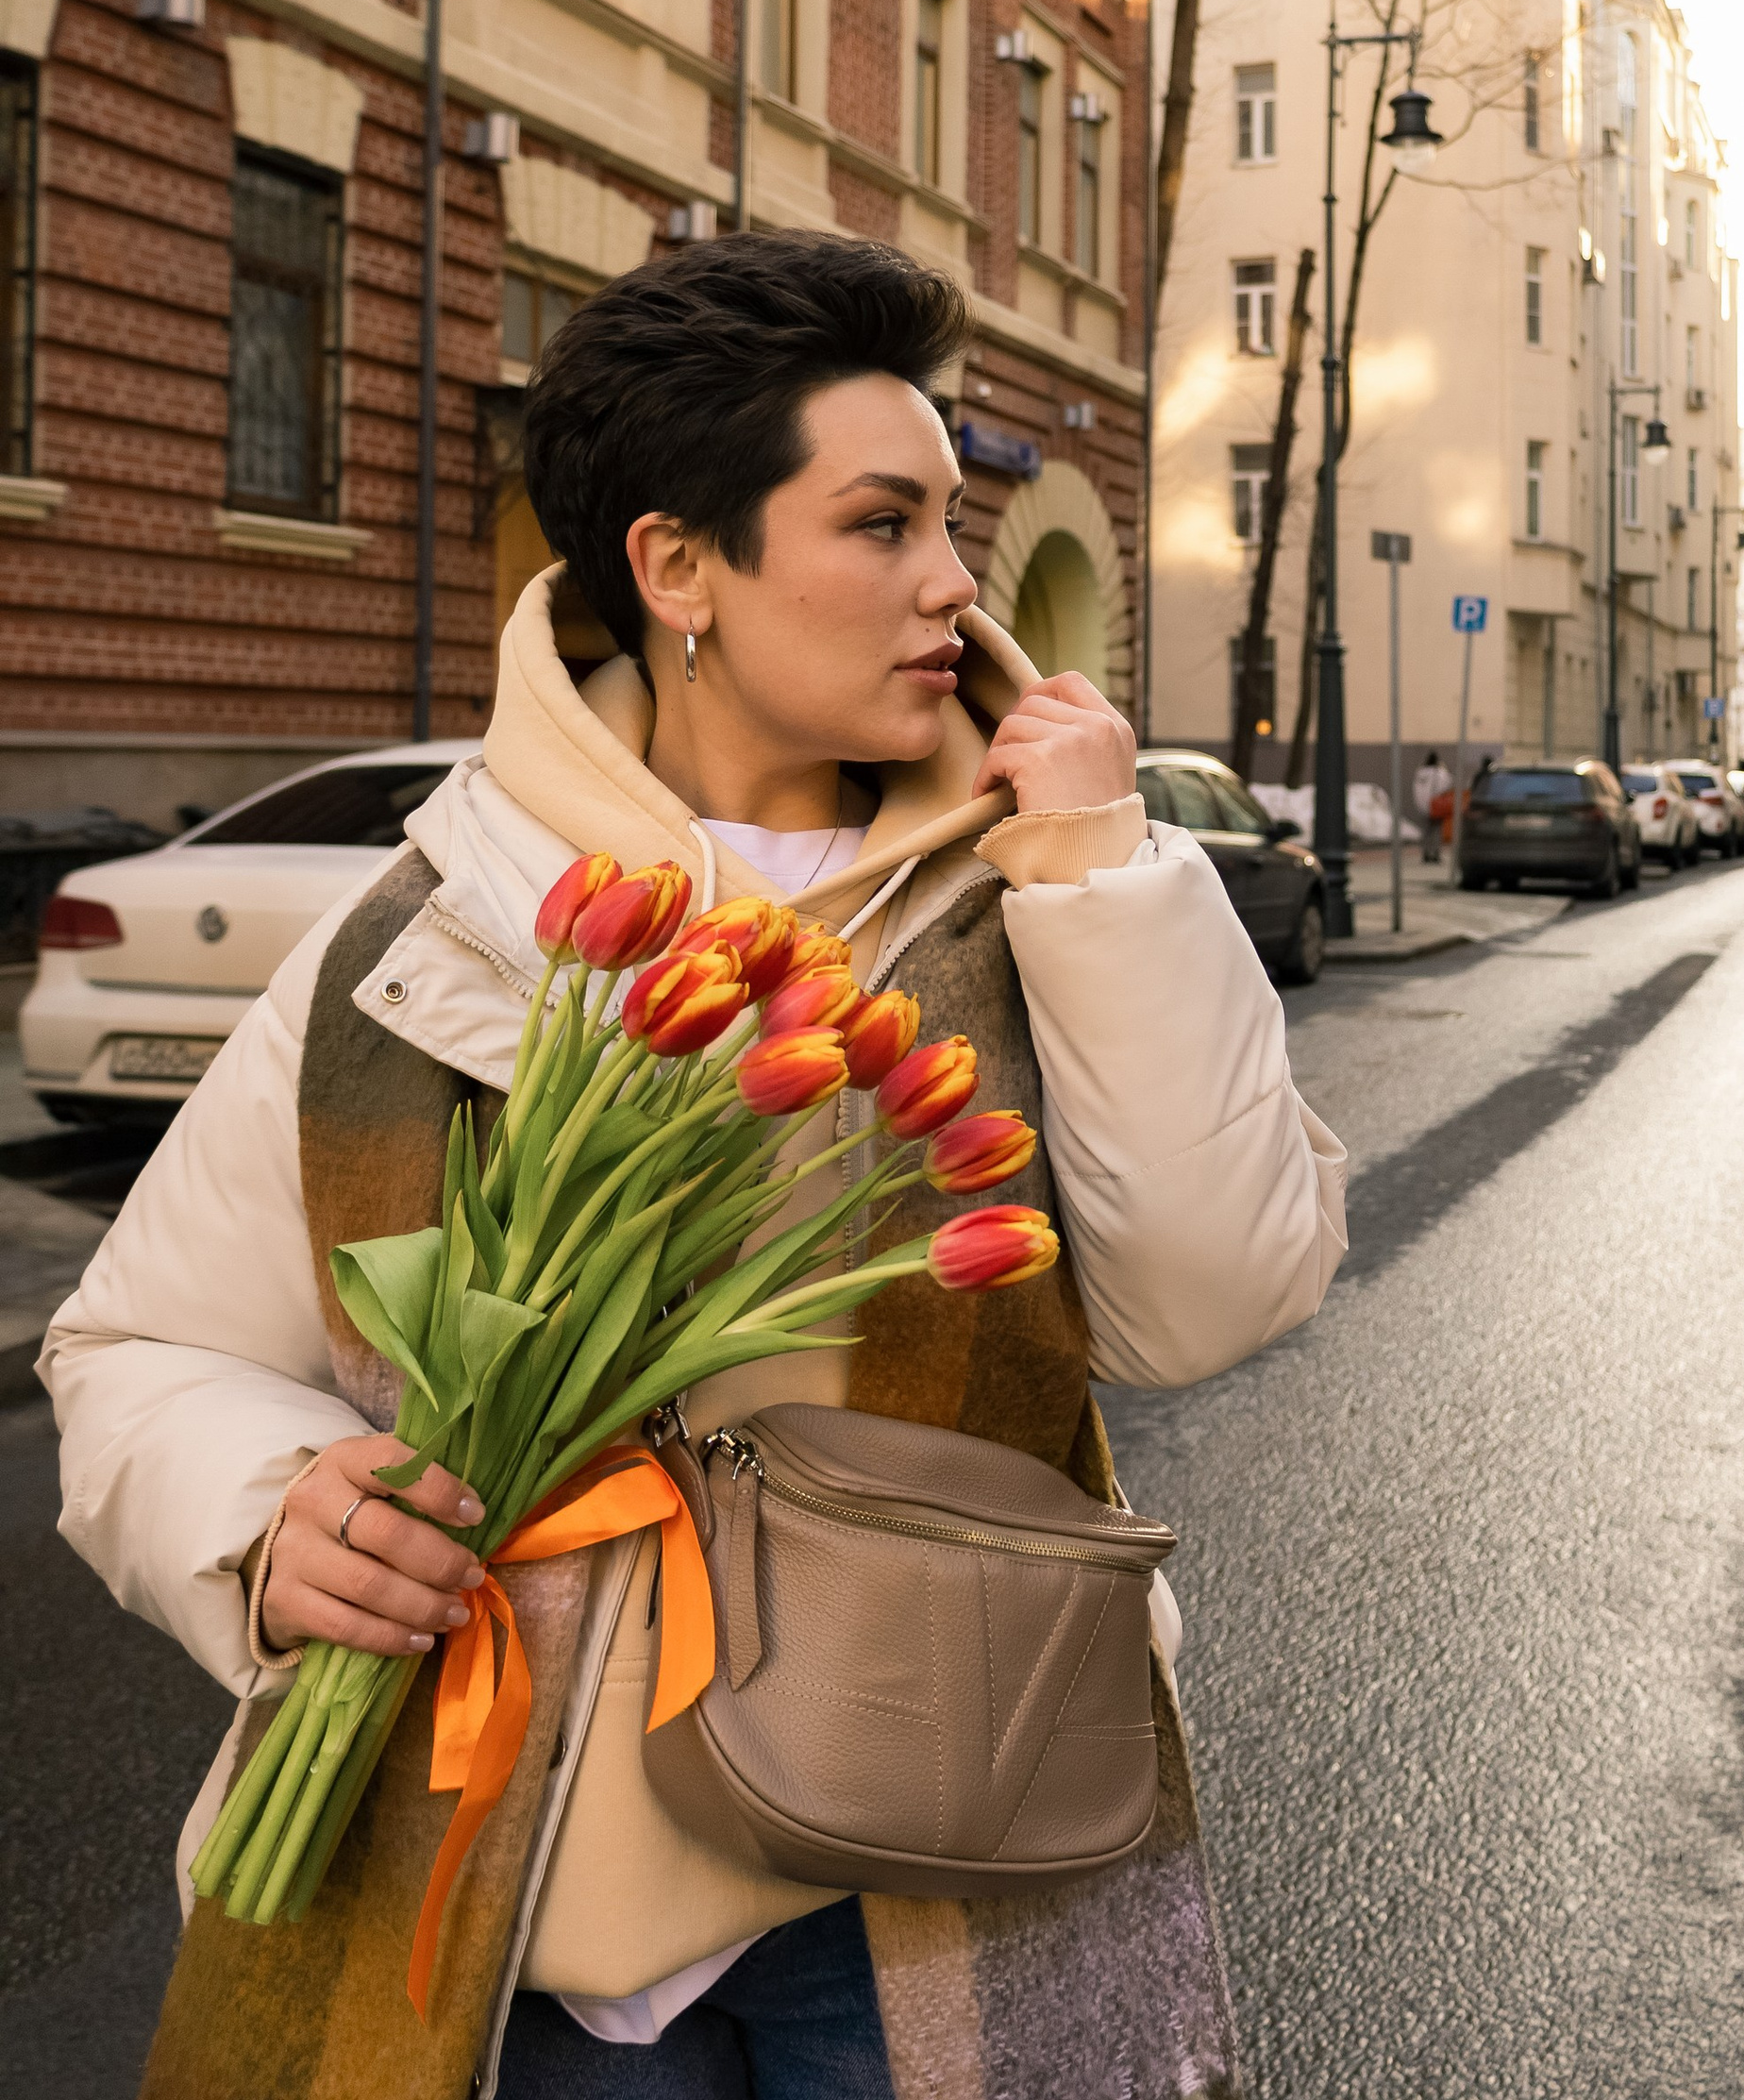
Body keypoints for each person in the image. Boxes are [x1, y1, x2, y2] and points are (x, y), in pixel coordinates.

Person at [42, 233, 1348, 2100]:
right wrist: (269, 1518)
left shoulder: (1050, 896)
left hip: (940, 1853)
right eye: (880, 524)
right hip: (503, 1883)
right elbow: (138, 1350)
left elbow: (1209, 1300)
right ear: (677, 568)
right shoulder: (439, 936)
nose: (949, 582)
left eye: (948, 531)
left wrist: (1107, 873)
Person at [1412, 749, 1454, 865]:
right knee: (1436, 831)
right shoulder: (1439, 772)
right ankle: (1435, 854)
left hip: (1422, 806)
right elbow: (1447, 784)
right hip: (1435, 805)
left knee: (1426, 832)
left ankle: (1425, 853)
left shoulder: (1420, 772)